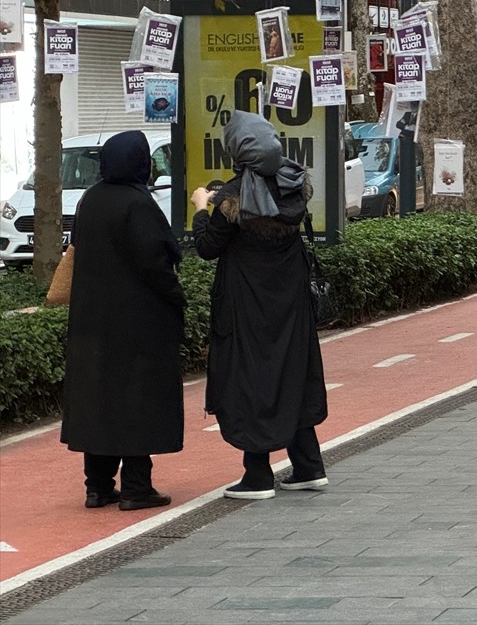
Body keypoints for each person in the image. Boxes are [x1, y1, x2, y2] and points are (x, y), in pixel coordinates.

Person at [192, 111, 329, 500]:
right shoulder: (292, 182)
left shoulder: (233, 197)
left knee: (250, 377)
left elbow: (206, 247)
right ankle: (308, 466)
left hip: (246, 304)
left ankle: (257, 475)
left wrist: (203, 206)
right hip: (291, 300)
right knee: (293, 371)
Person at [60, 132, 185, 511]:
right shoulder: (138, 203)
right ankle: (136, 487)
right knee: (138, 400)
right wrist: (177, 296)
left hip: (91, 322)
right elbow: (155, 262)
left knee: (99, 400)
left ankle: (97, 486)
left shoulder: (90, 199)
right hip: (137, 323)